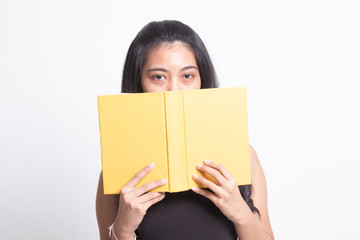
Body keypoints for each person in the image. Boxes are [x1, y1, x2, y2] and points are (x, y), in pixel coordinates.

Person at [96, 20, 274, 240]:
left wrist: (241, 215)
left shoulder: (243, 156)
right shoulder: (117, 172)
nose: (174, 90)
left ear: (202, 79)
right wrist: (123, 228)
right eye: (158, 77)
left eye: (187, 76)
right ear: (138, 83)